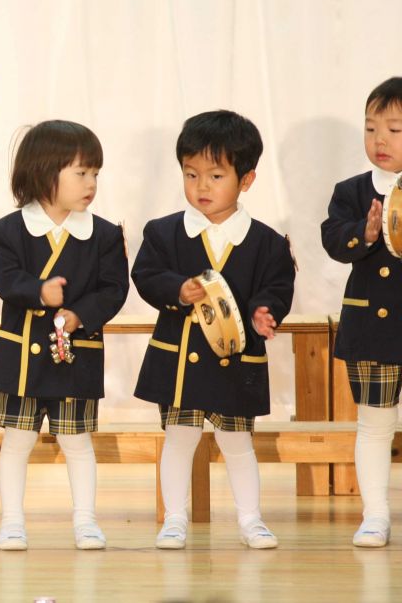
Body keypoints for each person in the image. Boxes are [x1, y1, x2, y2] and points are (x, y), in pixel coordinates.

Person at [132, 110, 295, 549]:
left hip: (236, 361)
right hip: (179, 361)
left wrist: (265, 313)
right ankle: (175, 519)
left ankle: (251, 520)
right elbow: (145, 275)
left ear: (247, 180)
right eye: (191, 174)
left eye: (216, 176)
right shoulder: (163, 232)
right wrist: (176, 289)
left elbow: (277, 287)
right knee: (178, 439)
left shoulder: (267, 242)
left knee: (238, 442)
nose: (201, 186)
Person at [0, 120, 128, 551]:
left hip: (75, 358)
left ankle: (86, 521)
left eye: (95, 173)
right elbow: (3, 277)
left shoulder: (104, 234)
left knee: (77, 443)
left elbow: (114, 289)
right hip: (21, 361)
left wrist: (81, 315)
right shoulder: (5, 231)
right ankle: (12, 521)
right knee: (16, 442)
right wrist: (37, 291)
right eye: (81, 173)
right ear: (44, 172)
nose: (91, 183)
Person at [321, 77, 402, 547]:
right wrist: (365, 234)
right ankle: (375, 515)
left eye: (394, 129)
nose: (380, 140)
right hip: (372, 327)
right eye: (371, 129)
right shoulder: (351, 190)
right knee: (374, 423)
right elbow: (333, 240)